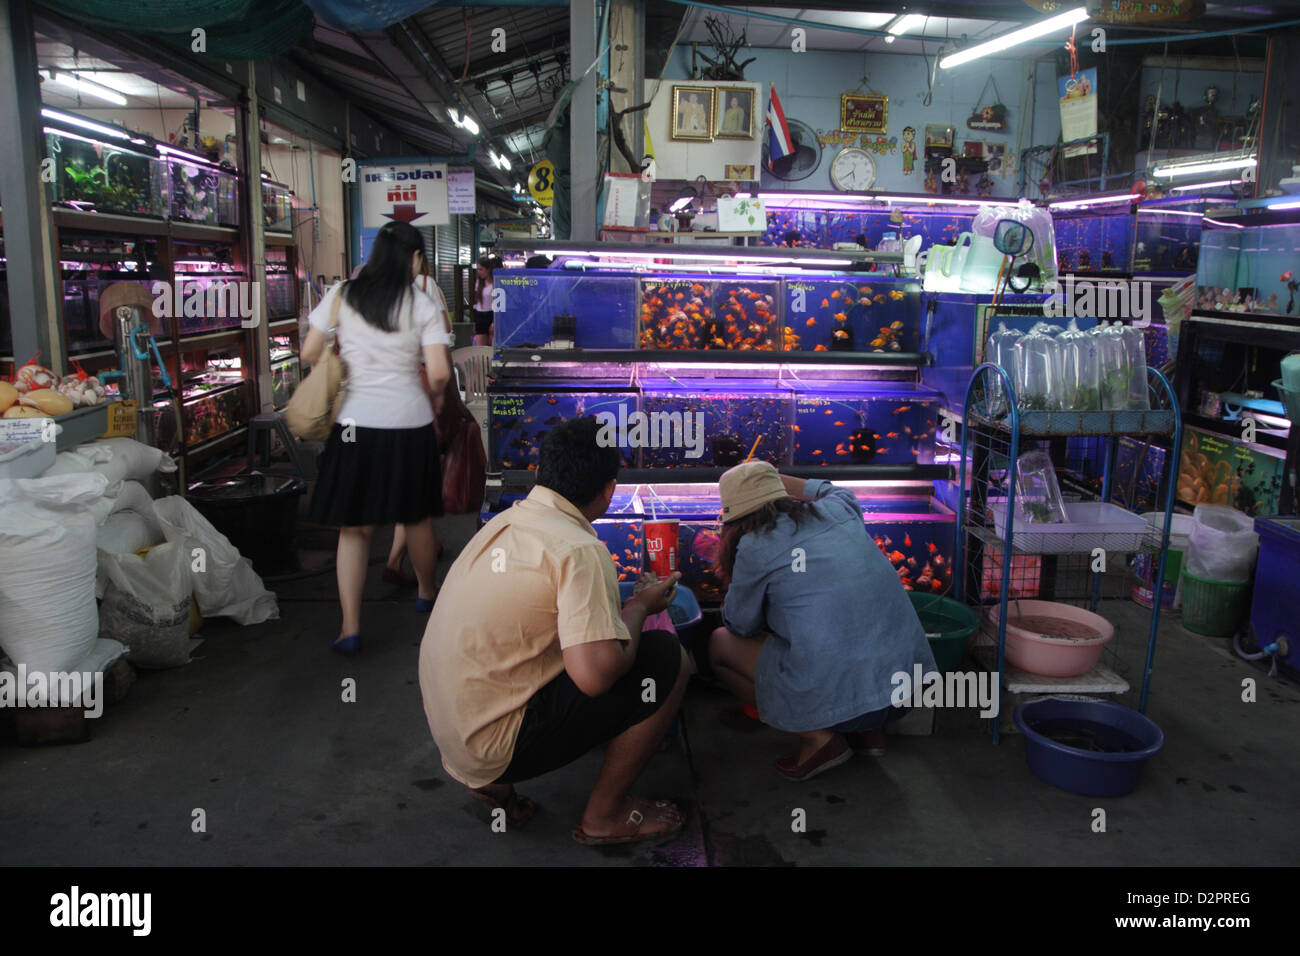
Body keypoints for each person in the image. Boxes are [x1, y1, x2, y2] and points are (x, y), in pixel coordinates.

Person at [419, 416, 689, 845]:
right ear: (608, 490)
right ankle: (606, 816)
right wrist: (639, 607)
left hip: (456, 734)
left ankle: (493, 786)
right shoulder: (578, 549)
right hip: (496, 744)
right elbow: (597, 677)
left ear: (543, 471)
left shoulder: (505, 525)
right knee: (667, 660)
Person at [707, 461, 937, 781]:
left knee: (719, 645)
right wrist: (768, 476)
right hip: (910, 688)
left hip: (857, 695)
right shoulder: (839, 509)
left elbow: (740, 625)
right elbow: (828, 488)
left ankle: (819, 738)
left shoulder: (753, 545)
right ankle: (868, 732)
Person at [301, 220, 452, 654]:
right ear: (415, 259)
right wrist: (435, 396)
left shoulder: (342, 294)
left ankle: (350, 626)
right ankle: (427, 594)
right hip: (409, 422)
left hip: (353, 425)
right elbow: (440, 373)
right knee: (416, 517)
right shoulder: (420, 302)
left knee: (354, 528)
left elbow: (310, 352)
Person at [471, 257, 495, 346]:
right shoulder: (479, 282)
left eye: (481, 269)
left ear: (488, 269)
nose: (479, 272)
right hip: (480, 314)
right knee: (480, 347)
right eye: (478, 269)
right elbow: (478, 302)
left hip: (491, 314)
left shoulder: (495, 284)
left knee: (491, 345)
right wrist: (475, 321)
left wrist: (494, 322)